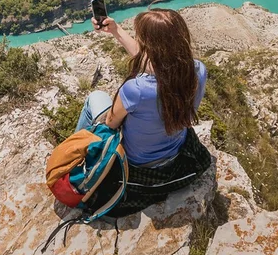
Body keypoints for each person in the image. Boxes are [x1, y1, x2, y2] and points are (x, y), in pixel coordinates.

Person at [76, 8, 207, 167]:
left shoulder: (137, 90)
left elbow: (111, 123)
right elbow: (154, 62)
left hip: (139, 161)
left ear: (149, 48)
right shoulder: (197, 70)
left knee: (95, 98)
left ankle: (77, 153)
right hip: (175, 151)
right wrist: (115, 30)